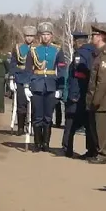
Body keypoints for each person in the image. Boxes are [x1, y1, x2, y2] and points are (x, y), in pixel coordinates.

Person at [28, 23, 67, 152]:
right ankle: (37, 143)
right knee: (37, 116)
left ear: (51, 36)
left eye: (48, 34)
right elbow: (28, 69)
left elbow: (61, 69)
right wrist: (27, 86)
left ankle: (46, 143)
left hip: (51, 85)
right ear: (40, 36)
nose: (45, 37)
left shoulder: (57, 50)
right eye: (43, 34)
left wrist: (60, 87)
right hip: (37, 85)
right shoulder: (33, 50)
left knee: (48, 116)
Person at [62, 31, 98, 159]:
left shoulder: (80, 54)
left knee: (70, 122)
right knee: (89, 124)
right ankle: (91, 150)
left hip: (78, 94)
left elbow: (78, 76)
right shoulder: (94, 53)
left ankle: (67, 148)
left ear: (77, 42)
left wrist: (72, 94)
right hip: (89, 94)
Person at [85, 26, 106, 164]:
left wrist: (96, 99)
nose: (92, 38)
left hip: (102, 100)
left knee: (102, 127)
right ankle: (97, 151)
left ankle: (104, 154)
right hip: (96, 97)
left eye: (94, 35)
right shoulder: (98, 53)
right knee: (95, 127)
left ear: (100, 37)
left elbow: (103, 81)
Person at [10, 25, 37, 135]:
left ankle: (32, 127)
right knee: (21, 104)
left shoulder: (37, 48)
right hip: (20, 77)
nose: (29, 38)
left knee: (34, 105)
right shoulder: (18, 47)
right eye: (27, 36)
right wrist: (11, 78)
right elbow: (13, 63)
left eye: (31, 36)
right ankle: (20, 127)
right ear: (24, 36)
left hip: (34, 78)